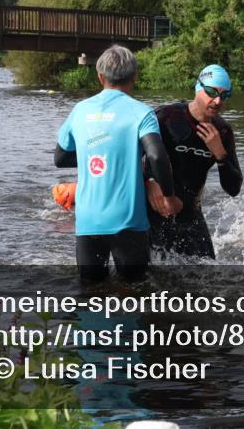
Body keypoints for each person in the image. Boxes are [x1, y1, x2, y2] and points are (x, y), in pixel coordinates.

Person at [54, 45, 178, 283]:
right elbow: (157, 156)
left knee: (91, 292)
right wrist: (170, 196)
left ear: (100, 77)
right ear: (135, 77)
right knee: (134, 290)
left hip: (88, 221)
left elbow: (60, 158)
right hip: (129, 222)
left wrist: (96, 152)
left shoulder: (80, 110)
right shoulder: (142, 113)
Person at [147, 65, 243, 258]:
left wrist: (220, 155)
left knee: (207, 272)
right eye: (211, 92)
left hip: (189, 210)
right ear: (198, 88)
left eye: (224, 96)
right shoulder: (166, 117)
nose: (217, 101)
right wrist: (148, 182)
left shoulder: (222, 131)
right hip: (154, 206)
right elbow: (132, 154)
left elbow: (234, 188)